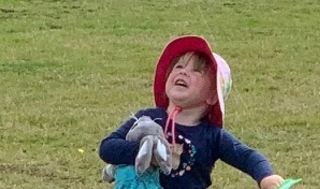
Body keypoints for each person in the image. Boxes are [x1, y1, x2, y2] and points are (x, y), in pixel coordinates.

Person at [99, 35, 286, 189]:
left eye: (197, 71)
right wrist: (145, 152)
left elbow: (248, 156)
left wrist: (266, 176)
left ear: (212, 96)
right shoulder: (147, 118)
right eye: (178, 66)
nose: (183, 72)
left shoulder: (212, 136)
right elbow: (107, 147)